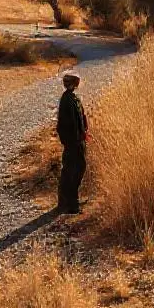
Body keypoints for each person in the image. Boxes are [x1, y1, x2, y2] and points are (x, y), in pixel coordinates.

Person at [55, 72, 88, 214]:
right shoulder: (67, 99)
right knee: (73, 170)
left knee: (75, 168)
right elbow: (64, 125)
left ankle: (68, 201)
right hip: (72, 142)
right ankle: (70, 203)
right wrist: (71, 141)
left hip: (77, 140)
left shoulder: (72, 98)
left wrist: (84, 132)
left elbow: (81, 117)